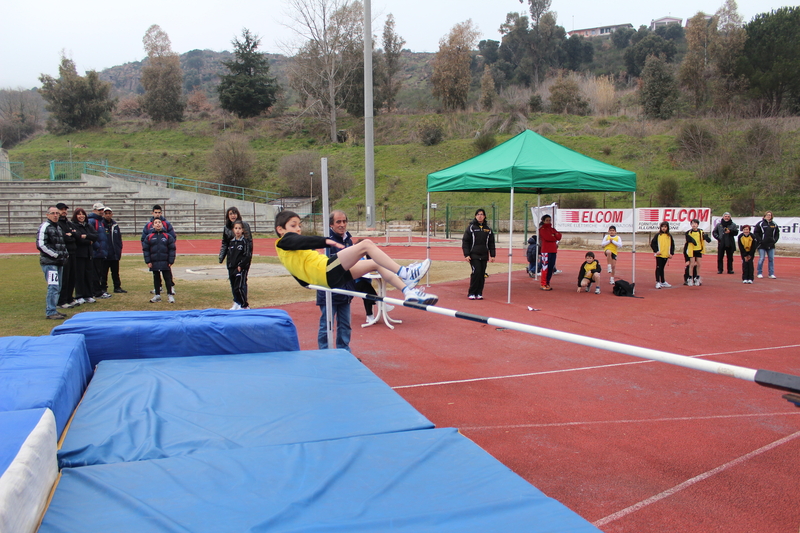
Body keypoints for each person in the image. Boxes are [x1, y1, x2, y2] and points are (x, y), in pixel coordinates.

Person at [274, 210, 437, 306]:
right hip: (325, 270)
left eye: (299, 226)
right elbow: (299, 240)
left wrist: (308, 284)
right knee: (366, 244)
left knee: (374, 263)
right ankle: (406, 273)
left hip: (327, 278)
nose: (298, 229)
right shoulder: (284, 241)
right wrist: (324, 240)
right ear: (280, 229)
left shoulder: (288, 251)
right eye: (293, 226)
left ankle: (408, 291)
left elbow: (297, 272)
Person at [315, 211, 357, 350]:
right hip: (329, 291)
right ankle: (324, 353)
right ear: (331, 224)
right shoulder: (326, 241)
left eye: (344, 221)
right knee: (326, 325)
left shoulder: (348, 240)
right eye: (338, 222)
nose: (342, 225)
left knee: (345, 325)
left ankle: (344, 352)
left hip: (345, 290)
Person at [37, 206, 69, 320]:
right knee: (53, 286)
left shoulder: (58, 227)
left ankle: (53, 309)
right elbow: (41, 245)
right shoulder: (45, 226)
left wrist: (65, 254)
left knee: (58, 286)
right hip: (50, 262)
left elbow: (62, 244)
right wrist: (55, 254)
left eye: (57, 213)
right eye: (53, 213)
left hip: (58, 262)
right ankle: (50, 311)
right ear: (47, 215)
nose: (55, 215)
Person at [462, 208, 496, 300]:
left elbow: (491, 243)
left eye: (482, 214)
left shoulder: (488, 229)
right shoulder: (471, 228)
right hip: (474, 255)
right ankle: (472, 292)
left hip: (484, 255)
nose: (480, 216)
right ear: (475, 216)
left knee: (482, 274)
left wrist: (493, 255)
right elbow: (465, 242)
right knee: (476, 273)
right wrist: (467, 254)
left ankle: (479, 293)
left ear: (484, 216)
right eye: (478, 214)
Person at [143, 205, 177, 295]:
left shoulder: (166, 224)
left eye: (159, 212)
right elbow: (144, 239)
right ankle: (158, 288)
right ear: (152, 213)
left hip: (164, 254)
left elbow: (172, 237)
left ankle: (171, 287)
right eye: (155, 212)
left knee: (167, 272)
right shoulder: (148, 225)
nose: (157, 214)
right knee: (156, 273)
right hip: (154, 254)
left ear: (161, 213)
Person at [55, 202, 79, 309]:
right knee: (64, 278)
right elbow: (65, 238)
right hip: (64, 254)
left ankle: (69, 297)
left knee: (72, 277)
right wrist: (72, 235)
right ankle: (61, 300)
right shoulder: (57, 224)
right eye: (61, 209)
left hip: (73, 252)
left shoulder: (69, 223)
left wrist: (72, 234)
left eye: (65, 209)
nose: (64, 211)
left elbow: (77, 235)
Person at [71, 208, 97, 304]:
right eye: (79, 214)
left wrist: (85, 236)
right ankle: (79, 295)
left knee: (88, 275)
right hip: (79, 254)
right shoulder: (73, 225)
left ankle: (88, 295)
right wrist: (88, 240)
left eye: (83, 214)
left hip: (89, 254)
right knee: (79, 276)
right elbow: (77, 238)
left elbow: (95, 236)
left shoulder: (88, 225)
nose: (81, 216)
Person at [87, 202, 111, 299]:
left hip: (101, 252)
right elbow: (91, 236)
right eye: (99, 210)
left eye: (102, 210)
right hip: (96, 252)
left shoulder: (100, 221)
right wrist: (97, 247)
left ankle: (99, 290)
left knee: (100, 273)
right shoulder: (92, 221)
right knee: (95, 273)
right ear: (94, 210)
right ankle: (96, 292)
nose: (101, 212)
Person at [226, 221, 251, 310]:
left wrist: (241, 265)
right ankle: (237, 303)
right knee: (234, 288)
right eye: (236, 228)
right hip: (232, 268)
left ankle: (244, 305)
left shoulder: (244, 242)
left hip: (240, 268)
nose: (238, 230)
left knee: (239, 287)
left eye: (239, 228)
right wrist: (229, 266)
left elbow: (247, 255)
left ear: (243, 230)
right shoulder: (232, 242)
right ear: (233, 230)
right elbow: (229, 255)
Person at [102, 207, 126, 293]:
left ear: (112, 214)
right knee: (104, 272)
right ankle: (103, 288)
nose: (108, 215)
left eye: (109, 213)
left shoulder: (115, 225)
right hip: (105, 253)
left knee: (115, 272)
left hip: (114, 253)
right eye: (106, 213)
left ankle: (117, 287)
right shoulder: (101, 225)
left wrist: (119, 249)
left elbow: (119, 239)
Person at [754, 211, 780, 279]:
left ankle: (771, 273)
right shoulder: (760, 224)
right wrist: (760, 241)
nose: (769, 216)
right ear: (764, 216)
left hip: (771, 245)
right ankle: (759, 272)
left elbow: (777, 233)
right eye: (767, 215)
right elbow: (756, 233)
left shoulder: (774, 224)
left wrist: (774, 241)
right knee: (762, 258)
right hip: (762, 245)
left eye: (770, 215)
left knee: (771, 259)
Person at [685, 218, 711, 287]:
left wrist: (707, 238)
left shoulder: (701, 232)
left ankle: (697, 277)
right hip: (692, 250)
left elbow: (706, 239)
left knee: (699, 264)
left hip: (699, 249)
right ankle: (690, 278)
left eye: (695, 223)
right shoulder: (689, 232)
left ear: (698, 225)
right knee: (692, 264)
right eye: (692, 223)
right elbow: (688, 239)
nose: (694, 225)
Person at [538, 214, 561, 291]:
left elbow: (559, 236)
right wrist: (554, 236)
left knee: (551, 267)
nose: (548, 222)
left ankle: (547, 282)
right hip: (546, 251)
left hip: (553, 250)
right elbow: (548, 237)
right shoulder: (542, 229)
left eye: (549, 220)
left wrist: (554, 235)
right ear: (543, 221)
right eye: (547, 220)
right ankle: (543, 283)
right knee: (545, 267)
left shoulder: (552, 229)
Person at [650, 222, 675, 289]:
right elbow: (652, 244)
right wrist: (656, 251)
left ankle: (663, 281)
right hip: (659, 255)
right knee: (658, 268)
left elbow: (672, 245)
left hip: (666, 255)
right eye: (662, 227)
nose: (664, 228)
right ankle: (658, 281)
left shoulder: (669, 236)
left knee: (662, 268)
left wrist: (671, 253)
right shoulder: (658, 235)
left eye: (665, 227)